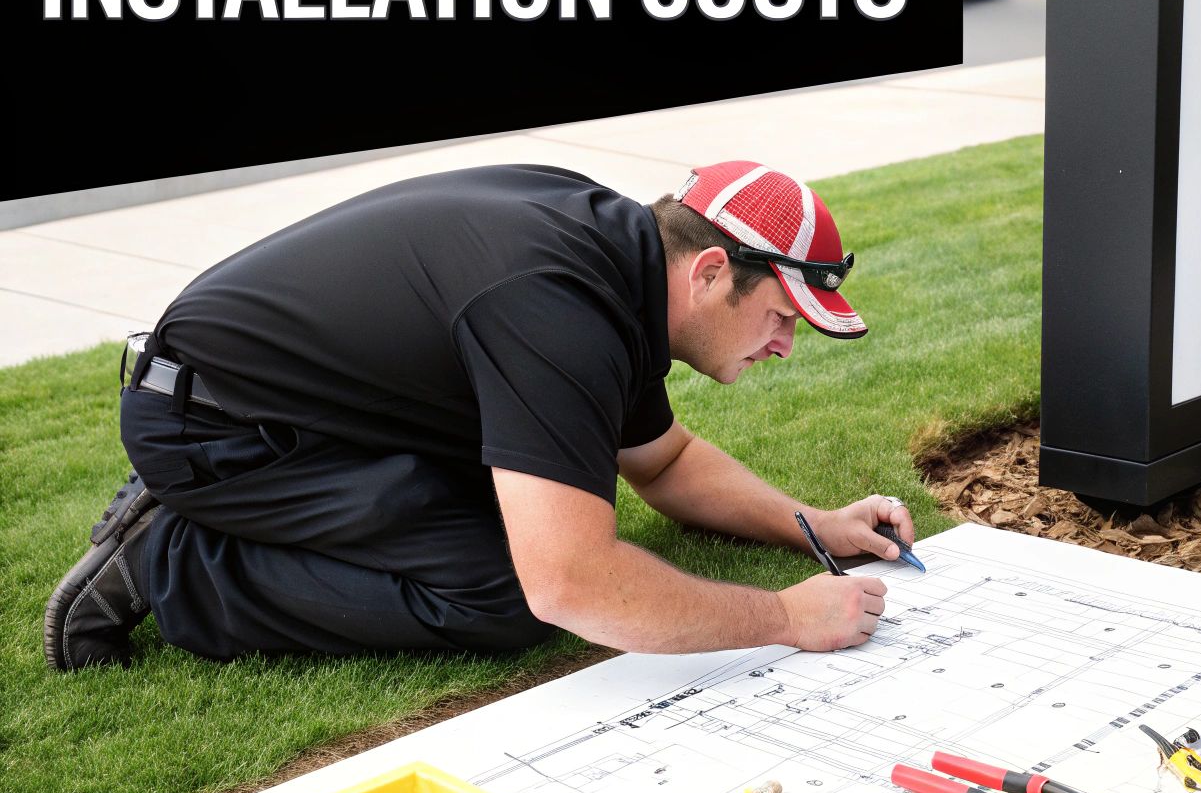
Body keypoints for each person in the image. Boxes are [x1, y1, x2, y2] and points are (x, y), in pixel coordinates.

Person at [45, 160, 916, 672]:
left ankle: (202, 531)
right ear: (712, 271)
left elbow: (662, 461)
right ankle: (172, 559)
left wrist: (816, 528)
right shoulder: (559, 307)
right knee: (508, 595)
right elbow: (572, 585)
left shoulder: (618, 261)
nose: (786, 345)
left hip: (291, 400)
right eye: (782, 316)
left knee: (536, 518)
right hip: (217, 430)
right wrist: (785, 619)